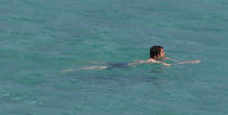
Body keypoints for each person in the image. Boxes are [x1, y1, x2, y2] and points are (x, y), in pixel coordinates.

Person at [63, 45, 200, 72]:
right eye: (162, 52)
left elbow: (174, 61)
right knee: (101, 66)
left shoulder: (160, 59)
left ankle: (82, 63)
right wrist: (187, 64)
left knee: (103, 64)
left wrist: (190, 61)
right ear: (157, 54)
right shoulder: (152, 61)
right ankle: (72, 69)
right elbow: (171, 66)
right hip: (126, 66)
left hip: (127, 64)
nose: (164, 54)